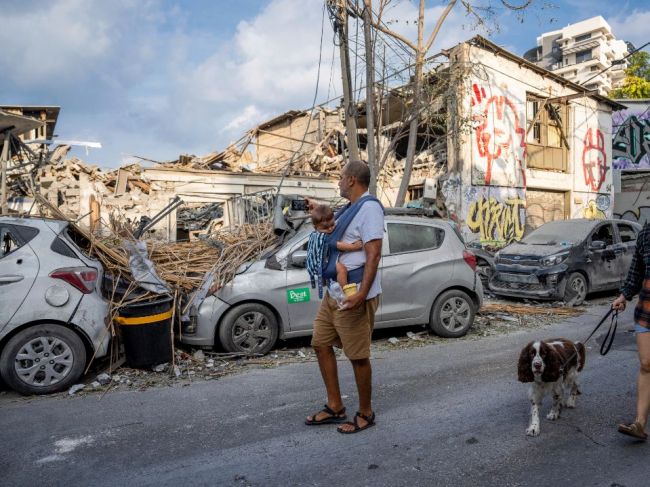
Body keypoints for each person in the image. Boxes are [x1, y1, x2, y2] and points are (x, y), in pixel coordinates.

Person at [304, 160, 384, 434]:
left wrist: (362, 294)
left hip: (353, 294)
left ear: (351, 180)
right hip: (334, 293)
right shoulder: (349, 209)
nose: (338, 182)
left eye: (340, 177)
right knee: (320, 343)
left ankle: (365, 412)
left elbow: (373, 253)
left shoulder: (370, 208)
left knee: (357, 355)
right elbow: (331, 228)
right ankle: (335, 406)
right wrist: (316, 208)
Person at [613, 223, 650, 441]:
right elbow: (637, 270)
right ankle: (640, 423)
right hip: (646, 309)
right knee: (646, 364)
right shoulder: (646, 233)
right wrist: (624, 295)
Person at [306, 204, 363, 300]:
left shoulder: (314, 234)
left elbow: (336, 216)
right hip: (323, 266)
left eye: (332, 224)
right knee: (342, 269)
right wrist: (354, 246)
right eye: (325, 228)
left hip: (320, 264)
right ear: (316, 228)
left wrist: (345, 208)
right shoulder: (324, 237)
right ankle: (345, 289)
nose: (330, 229)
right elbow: (337, 245)